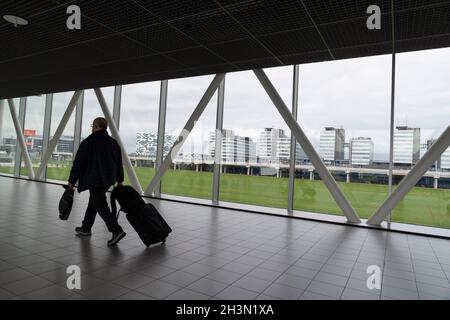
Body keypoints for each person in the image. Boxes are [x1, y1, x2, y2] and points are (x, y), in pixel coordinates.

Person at [67, 117, 126, 246]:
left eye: (93, 126)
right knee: (94, 202)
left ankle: (116, 231)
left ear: (95, 126)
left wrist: (71, 181)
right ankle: (86, 228)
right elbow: (119, 164)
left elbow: (78, 163)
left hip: (94, 179)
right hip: (108, 180)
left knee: (100, 205)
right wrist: (120, 180)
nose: (92, 128)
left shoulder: (88, 142)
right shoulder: (113, 143)